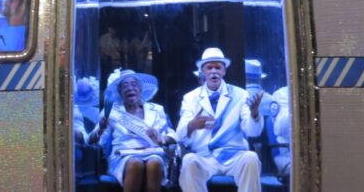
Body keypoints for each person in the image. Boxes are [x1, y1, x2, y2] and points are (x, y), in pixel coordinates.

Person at [176, 48, 263, 192]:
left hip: (234, 156)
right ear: (203, 72)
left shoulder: (240, 95)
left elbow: (253, 132)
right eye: (209, 67)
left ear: (224, 71)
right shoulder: (190, 98)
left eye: (218, 67)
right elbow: (180, 135)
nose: (214, 71)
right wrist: (191, 126)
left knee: (251, 157)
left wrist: (254, 114)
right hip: (206, 157)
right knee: (189, 160)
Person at [88, 69, 174, 192]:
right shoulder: (111, 112)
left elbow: (172, 135)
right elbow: (94, 141)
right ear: (120, 92)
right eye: (125, 86)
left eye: (134, 84)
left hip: (153, 152)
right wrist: (101, 128)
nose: (130, 88)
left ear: (140, 89)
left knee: (154, 163)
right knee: (135, 164)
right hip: (123, 155)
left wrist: (161, 138)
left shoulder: (157, 109)